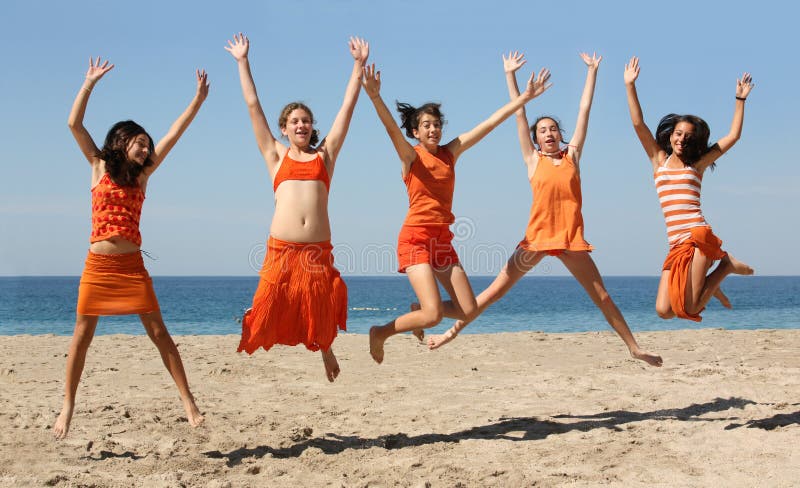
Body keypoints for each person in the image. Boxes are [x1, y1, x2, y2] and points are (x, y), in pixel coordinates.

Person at [427, 52, 662, 368]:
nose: (549, 133)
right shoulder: (532, 160)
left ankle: (633, 347)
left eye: (553, 129)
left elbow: (584, 110)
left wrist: (592, 72)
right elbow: (519, 116)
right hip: (536, 241)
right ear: (536, 140)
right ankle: (447, 334)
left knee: (602, 297)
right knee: (494, 293)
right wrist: (509, 76)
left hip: (569, 241)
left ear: (560, 135)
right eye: (543, 131)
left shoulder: (572, 157)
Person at [54, 57, 209, 439]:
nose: (147, 149)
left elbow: (174, 134)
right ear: (122, 142)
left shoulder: (142, 177)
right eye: (141, 143)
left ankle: (189, 402)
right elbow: (73, 124)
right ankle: (67, 406)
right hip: (97, 267)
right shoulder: (97, 166)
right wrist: (89, 82)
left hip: (131, 268)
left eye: (147, 146)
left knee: (159, 333)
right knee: (82, 336)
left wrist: (197, 101)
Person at [361, 59, 552, 364]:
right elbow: (389, 129)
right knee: (435, 314)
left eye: (437, 124)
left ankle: (417, 310)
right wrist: (374, 96)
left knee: (468, 309)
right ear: (416, 131)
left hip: (442, 240)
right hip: (415, 240)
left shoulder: (451, 153)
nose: (434, 129)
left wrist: (524, 99)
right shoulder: (411, 157)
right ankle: (380, 332)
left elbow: (487, 124)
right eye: (427, 125)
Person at [226, 34, 368, 382]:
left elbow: (346, 110)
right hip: (282, 248)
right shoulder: (276, 156)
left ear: (311, 126)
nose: (301, 125)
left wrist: (358, 67)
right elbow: (252, 105)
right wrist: (243, 61)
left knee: (320, 309)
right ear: (284, 129)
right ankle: (252, 316)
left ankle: (327, 352)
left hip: (317, 250)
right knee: (267, 305)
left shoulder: (325, 156)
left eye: (305, 120)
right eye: (294, 121)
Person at [623, 56, 754, 322]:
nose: (682, 139)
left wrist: (740, 100)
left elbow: (733, 137)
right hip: (676, 244)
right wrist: (630, 85)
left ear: (695, 140)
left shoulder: (697, 165)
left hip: (697, 238)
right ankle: (708, 283)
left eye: (689, 136)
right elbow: (639, 124)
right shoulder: (658, 160)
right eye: (679, 134)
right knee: (664, 311)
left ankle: (724, 267)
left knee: (690, 308)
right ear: (671, 136)